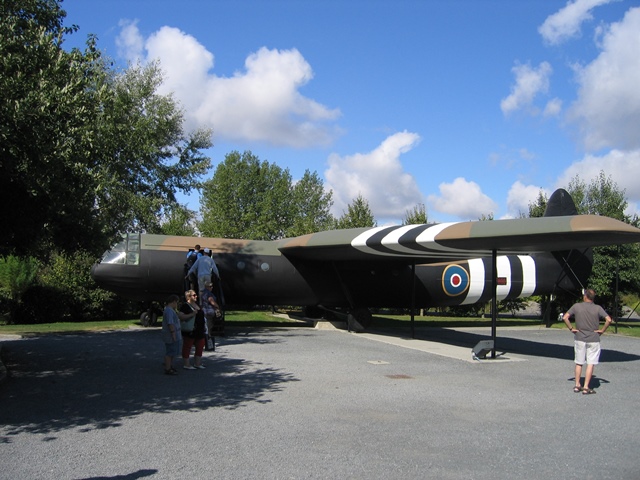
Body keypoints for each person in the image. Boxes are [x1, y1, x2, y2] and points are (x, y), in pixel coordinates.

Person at [562, 288, 613, 394]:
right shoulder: (598, 308)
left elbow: (565, 317)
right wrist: (602, 330)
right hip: (593, 338)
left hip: (580, 337)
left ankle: (577, 385)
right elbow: (609, 319)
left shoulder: (577, 306)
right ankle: (586, 387)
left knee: (579, 362)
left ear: (585, 296)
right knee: (590, 363)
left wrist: (571, 328)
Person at [179, 290, 207, 369]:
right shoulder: (185, 306)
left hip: (200, 330)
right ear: (188, 297)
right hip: (190, 330)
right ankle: (186, 364)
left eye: (196, 295)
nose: (196, 296)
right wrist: (192, 314)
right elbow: (181, 316)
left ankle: (197, 363)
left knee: (200, 346)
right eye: (194, 295)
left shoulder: (197, 304)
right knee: (187, 346)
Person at [161, 294, 182, 375]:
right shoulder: (169, 311)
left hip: (174, 333)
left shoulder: (170, 310)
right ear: (173, 302)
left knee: (173, 351)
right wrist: (173, 334)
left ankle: (170, 365)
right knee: (170, 352)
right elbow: (170, 323)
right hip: (171, 334)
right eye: (176, 302)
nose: (176, 304)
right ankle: (168, 368)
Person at [201, 281, 222, 349]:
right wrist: (217, 306)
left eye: (212, 286)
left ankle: (206, 341)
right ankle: (208, 342)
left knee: (206, 326)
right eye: (210, 286)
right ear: (207, 287)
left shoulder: (203, 293)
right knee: (209, 326)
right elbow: (211, 301)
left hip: (205, 311)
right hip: (209, 311)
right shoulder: (208, 293)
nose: (212, 287)